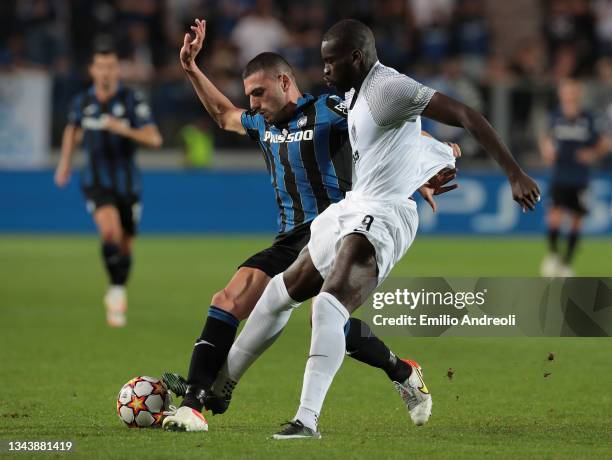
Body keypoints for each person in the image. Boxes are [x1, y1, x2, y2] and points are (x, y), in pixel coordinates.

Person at [199, 19, 540, 440]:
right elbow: (391, 142)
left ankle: (306, 420)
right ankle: (219, 386)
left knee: (327, 308)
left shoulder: (388, 87)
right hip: (352, 205)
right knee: (277, 295)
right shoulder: (353, 94)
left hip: (385, 215)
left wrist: (514, 173)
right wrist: (429, 161)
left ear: (356, 58)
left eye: (330, 61)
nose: (323, 70)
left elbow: (466, 115)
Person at [161, 19, 460, 432]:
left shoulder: (330, 108)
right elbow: (223, 115)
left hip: (339, 229)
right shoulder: (261, 123)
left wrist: (424, 169)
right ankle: (197, 400)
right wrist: (192, 67)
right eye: (250, 95)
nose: (254, 103)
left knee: (327, 319)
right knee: (233, 296)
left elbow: (391, 125)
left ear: (285, 82)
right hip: (290, 237)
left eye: (260, 93)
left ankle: (400, 373)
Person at [54, 46, 163, 327]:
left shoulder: (131, 100)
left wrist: (123, 129)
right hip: (95, 180)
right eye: (101, 66)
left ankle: (117, 288)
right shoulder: (82, 101)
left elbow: (154, 139)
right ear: (93, 70)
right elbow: (72, 129)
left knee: (125, 246)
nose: (106, 71)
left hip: (128, 183)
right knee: (110, 231)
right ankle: (115, 292)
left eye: (111, 66)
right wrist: (64, 163)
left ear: (117, 70)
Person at [539, 78, 608, 277]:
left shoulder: (589, 118)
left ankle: (567, 263)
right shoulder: (555, 117)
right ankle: (552, 255)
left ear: (578, 93)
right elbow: (545, 139)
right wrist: (546, 150)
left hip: (580, 176)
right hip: (560, 174)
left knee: (577, 220)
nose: (569, 95)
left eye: (572, 91)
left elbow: (603, 141)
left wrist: (593, 153)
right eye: (566, 91)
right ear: (561, 94)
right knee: (554, 217)